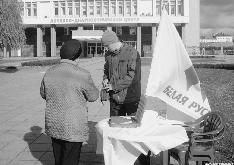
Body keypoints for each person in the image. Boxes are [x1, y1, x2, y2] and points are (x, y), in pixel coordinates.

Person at [40, 39, 99, 165]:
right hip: (73, 124)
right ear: (77, 56)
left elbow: (43, 93)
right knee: (70, 158)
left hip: (54, 122)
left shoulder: (50, 71)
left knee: (59, 157)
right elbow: (93, 96)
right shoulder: (82, 74)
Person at [101, 30, 150, 165]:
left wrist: (113, 86)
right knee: (116, 132)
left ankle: (143, 161)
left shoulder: (132, 53)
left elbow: (133, 77)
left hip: (131, 98)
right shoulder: (109, 55)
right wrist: (105, 79)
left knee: (136, 133)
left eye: (106, 46)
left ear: (112, 42)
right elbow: (106, 70)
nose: (106, 49)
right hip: (115, 100)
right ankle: (119, 160)